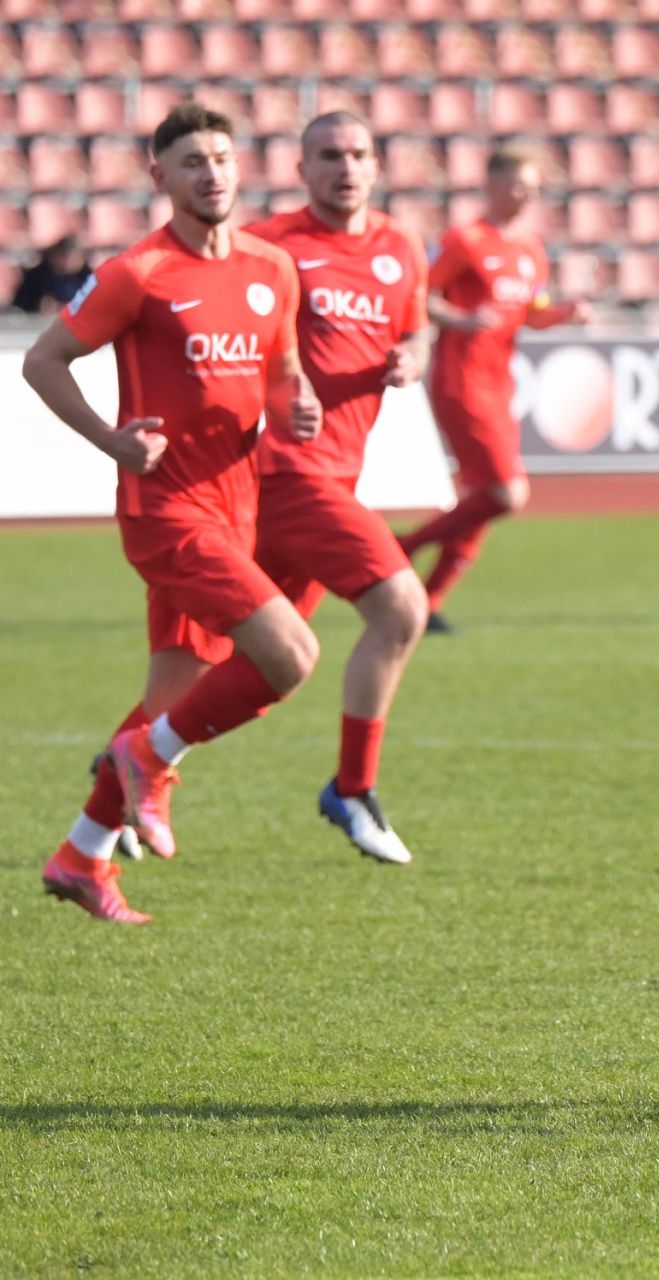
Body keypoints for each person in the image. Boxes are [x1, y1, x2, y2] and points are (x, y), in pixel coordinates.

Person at [23, 102, 321, 924]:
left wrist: (297, 406)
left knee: (167, 701)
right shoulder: (140, 272)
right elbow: (44, 362)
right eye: (192, 161)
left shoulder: (271, 268)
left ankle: (81, 856)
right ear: (160, 177)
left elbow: (281, 373)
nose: (211, 173)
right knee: (290, 654)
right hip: (166, 513)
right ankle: (148, 762)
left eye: (221, 157)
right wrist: (109, 440)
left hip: (236, 510)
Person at [247, 111, 431, 865]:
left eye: (357, 154)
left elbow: (416, 328)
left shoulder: (400, 246)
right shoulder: (269, 246)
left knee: (256, 666)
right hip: (287, 472)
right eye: (328, 155)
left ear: (377, 164)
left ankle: (125, 776)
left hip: (334, 475)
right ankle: (353, 787)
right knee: (402, 609)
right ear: (302, 169)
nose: (345, 167)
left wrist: (413, 357)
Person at [397, 146, 593, 631]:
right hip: (461, 381)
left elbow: (531, 314)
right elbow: (418, 295)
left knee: (482, 497)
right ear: (493, 185)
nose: (528, 196)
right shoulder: (465, 240)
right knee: (507, 493)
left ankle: (427, 602)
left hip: (499, 384)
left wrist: (564, 314)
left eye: (534, 188)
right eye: (519, 186)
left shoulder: (530, 251)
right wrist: (461, 319)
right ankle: (402, 548)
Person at [10, 235, 92, 313]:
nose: (69, 262)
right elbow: (22, 306)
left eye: (75, 258)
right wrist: (40, 306)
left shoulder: (87, 277)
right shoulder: (37, 277)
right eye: (63, 256)